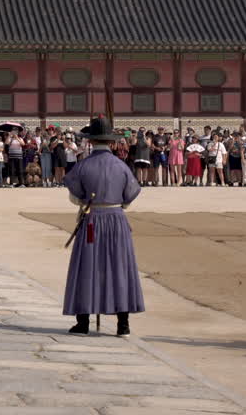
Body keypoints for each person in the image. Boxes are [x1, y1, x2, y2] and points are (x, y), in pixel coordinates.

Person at [63, 116, 144, 337]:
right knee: (120, 267)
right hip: (117, 219)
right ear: (111, 142)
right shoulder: (122, 166)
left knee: (87, 266)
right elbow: (129, 197)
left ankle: (83, 322)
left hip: (92, 219)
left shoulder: (82, 165)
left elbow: (75, 197)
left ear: (90, 141)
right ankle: (123, 324)